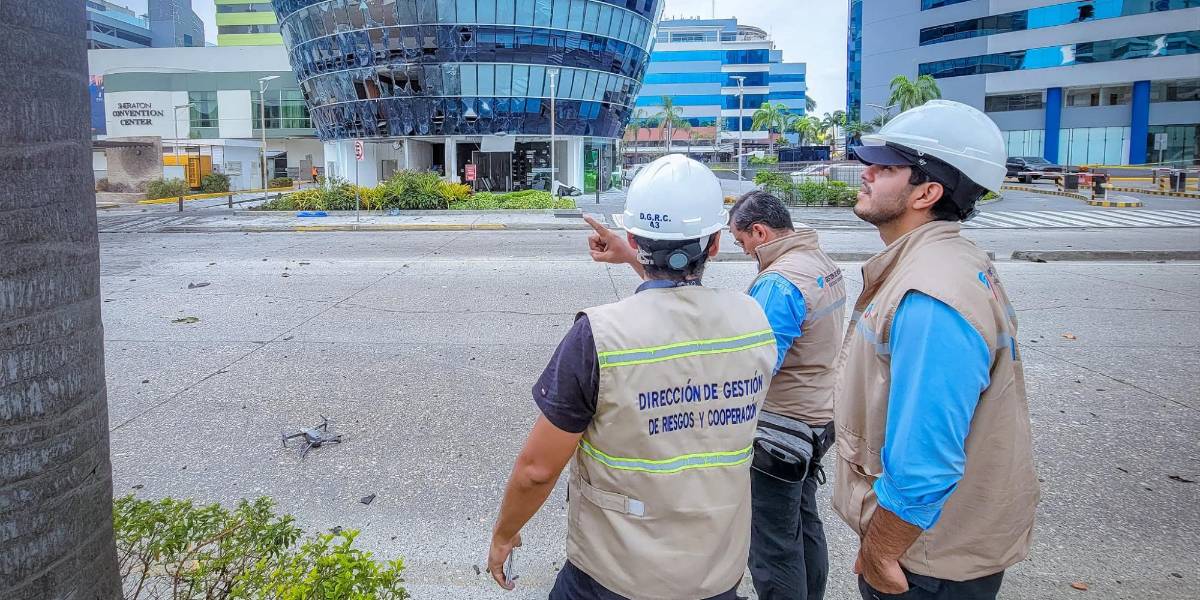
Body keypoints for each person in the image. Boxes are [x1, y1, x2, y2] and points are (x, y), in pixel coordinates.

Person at [487, 154, 776, 599]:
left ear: (634, 236)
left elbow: (537, 470)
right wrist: (632, 258)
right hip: (715, 571)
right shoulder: (754, 319)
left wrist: (504, 534)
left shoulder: (599, 336)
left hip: (615, 575)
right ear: (715, 243)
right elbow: (684, 307)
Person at [588, 190, 847, 600]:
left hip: (780, 431)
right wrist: (632, 257)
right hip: (816, 417)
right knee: (802, 524)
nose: (743, 251)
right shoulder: (816, 262)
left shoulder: (778, 284)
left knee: (774, 545)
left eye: (743, 241)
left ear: (759, 232)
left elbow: (749, 361)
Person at [835, 99, 1039, 600]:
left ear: (927, 192)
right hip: (936, 550)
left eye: (886, 168)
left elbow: (925, 463)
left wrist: (881, 551)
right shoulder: (943, 262)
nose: (866, 174)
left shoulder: (931, 293)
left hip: (928, 562)